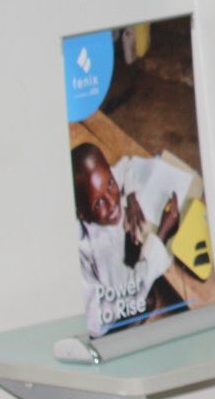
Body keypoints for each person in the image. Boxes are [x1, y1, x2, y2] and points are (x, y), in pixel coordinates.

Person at [70, 143, 183, 335]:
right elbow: (132, 293)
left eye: (111, 184)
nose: (112, 202)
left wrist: (131, 196)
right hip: (95, 320)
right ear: (83, 215)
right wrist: (162, 233)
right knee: (147, 300)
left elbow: (125, 166)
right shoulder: (101, 251)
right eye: (99, 203)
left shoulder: (92, 187)